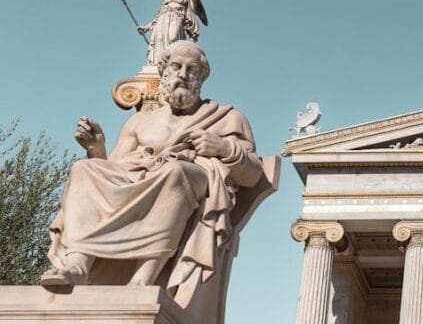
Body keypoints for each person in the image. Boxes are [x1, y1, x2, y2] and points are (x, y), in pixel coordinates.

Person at [41, 41, 264, 292]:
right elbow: (114, 170)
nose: (183, 74)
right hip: (140, 180)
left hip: (180, 181)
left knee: (174, 172)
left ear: (201, 77)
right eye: (176, 67)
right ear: (164, 72)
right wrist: (96, 150)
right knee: (84, 169)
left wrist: (223, 148)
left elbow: (253, 174)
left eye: (191, 69)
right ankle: (77, 266)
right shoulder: (140, 121)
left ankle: (143, 278)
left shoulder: (226, 118)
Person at [138, 0, 208, 71]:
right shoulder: (166, 0)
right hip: (163, 20)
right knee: (159, 39)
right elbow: (157, 18)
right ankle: (158, 63)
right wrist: (145, 28)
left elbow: (194, 9)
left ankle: (172, 64)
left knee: (173, 38)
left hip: (176, 18)